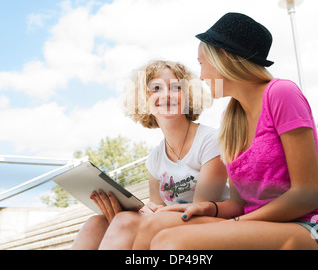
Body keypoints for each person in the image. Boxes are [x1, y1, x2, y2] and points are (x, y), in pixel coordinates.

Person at [132, 12, 318, 250]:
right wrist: (209, 208)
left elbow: (306, 195)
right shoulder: (230, 118)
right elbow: (238, 203)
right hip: (257, 225)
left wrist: (236, 223)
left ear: (223, 57)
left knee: (170, 242)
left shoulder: (281, 93)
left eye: (201, 63)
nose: (202, 75)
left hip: (313, 227)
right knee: (154, 226)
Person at [71, 60, 229, 249]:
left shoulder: (211, 140)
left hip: (212, 223)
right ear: (143, 99)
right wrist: (143, 208)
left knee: (123, 221)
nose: (166, 94)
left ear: (188, 95)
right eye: (155, 88)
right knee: (95, 223)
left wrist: (150, 214)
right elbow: (156, 205)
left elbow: (201, 207)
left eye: (176, 87)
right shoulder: (154, 159)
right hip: (171, 223)